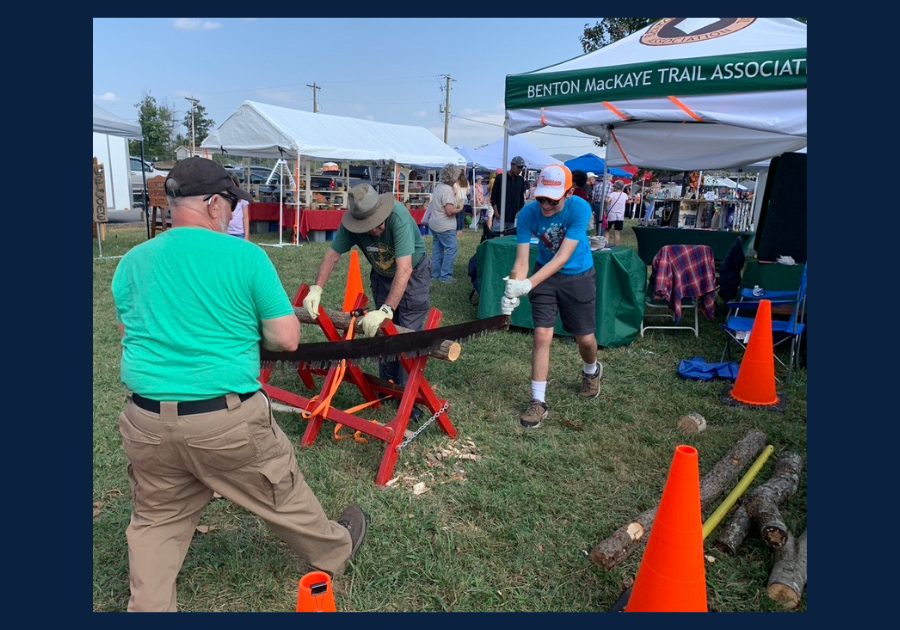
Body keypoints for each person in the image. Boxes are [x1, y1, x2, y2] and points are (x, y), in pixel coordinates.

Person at [111, 157, 367, 612]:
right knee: (280, 492)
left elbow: (129, 334)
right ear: (212, 204)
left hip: (146, 419)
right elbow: (286, 338)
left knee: (154, 522)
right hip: (225, 421)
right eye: (230, 205)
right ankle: (335, 549)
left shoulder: (132, 262)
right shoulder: (245, 257)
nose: (233, 214)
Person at [499, 164, 603, 429]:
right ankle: (538, 401)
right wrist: (513, 287)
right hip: (544, 277)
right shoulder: (527, 215)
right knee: (542, 335)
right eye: (541, 198)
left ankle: (591, 370)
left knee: (586, 339)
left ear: (568, 193)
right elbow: (522, 260)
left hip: (578, 275)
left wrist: (529, 284)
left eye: (552, 200)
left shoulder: (580, 208)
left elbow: (563, 257)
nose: (545, 205)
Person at [304, 182, 431, 385]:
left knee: (407, 336)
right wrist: (316, 288)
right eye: (370, 225)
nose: (377, 228)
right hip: (382, 276)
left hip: (413, 275)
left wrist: (387, 308)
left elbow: (405, 268)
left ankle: (408, 396)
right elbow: (332, 255)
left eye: (379, 222)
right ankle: (385, 387)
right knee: (382, 332)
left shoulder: (399, 218)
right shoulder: (350, 225)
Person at [426, 164, 463, 283]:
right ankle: (445, 276)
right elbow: (449, 211)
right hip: (445, 226)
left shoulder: (439, 186)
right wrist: (460, 208)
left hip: (435, 223)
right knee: (451, 249)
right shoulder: (447, 190)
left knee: (437, 249)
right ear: (453, 176)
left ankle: (435, 274)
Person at [490, 155, 527, 231]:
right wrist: (496, 213)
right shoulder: (501, 178)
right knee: (497, 238)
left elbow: (521, 198)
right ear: (512, 165)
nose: (520, 169)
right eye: (518, 167)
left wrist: (519, 213)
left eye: (521, 167)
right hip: (500, 217)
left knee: (508, 238)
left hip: (513, 218)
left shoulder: (521, 180)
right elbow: (494, 197)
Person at [226, 176, 251, 240]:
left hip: (239, 233)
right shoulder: (224, 198)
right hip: (226, 232)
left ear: (236, 185)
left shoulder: (242, 199)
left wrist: (246, 235)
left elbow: (245, 218)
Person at [604, 180, 628, 246]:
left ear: (615, 187)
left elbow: (607, 201)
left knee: (606, 231)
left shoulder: (612, 194)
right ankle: (616, 246)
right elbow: (627, 201)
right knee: (617, 232)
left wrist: (605, 209)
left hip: (611, 215)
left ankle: (606, 245)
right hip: (620, 216)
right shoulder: (625, 195)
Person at [454, 170, 470, 237]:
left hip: (458, 200)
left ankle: (457, 231)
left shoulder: (456, 183)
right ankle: (461, 230)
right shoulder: (467, 182)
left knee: (457, 216)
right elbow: (468, 192)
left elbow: (454, 192)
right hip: (465, 200)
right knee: (462, 216)